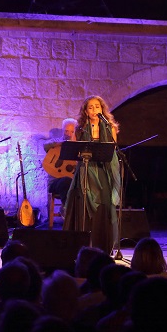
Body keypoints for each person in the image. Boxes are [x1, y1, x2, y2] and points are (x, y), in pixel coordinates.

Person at [64, 95, 121, 254]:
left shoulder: (110, 127)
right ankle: (81, 246)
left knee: (103, 203)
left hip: (102, 170)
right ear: (85, 111)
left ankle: (102, 246)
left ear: (102, 109)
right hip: (85, 171)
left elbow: (112, 152)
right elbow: (74, 151)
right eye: (90, 107)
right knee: (83, 204)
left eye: (97, 106)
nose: (94, 110)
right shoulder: (80, 128)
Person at [43, 118, 77, 214]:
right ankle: (67, 210)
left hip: (73, 182)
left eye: (72, 131)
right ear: (62, 130)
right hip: (55, 183)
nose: (68, 134)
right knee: (66, 181)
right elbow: (45, 145)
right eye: (66, 131)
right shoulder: (57, 142)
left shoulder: (78, 148)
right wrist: (62, 143)